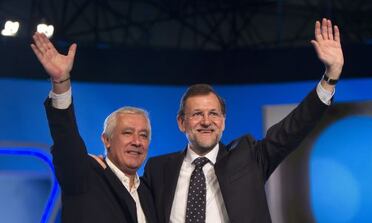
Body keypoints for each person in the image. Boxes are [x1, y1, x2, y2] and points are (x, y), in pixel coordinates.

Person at [142, 18, 344, 223]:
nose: (206, 121)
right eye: (196, 114)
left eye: (213, 114)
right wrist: (107, 165)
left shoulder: (249, 158)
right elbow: (126, 198)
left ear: (223, 121)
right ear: (181, 122)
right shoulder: (158, 169)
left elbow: (293, 128)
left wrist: (330, 77)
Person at [31, 33, 158, 223]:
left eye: (144, 135)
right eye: (127, 133)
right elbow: (66, 141)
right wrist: (61, 82)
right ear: (106, 140)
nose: (137, 142)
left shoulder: (149, 193)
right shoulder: (85, 174)